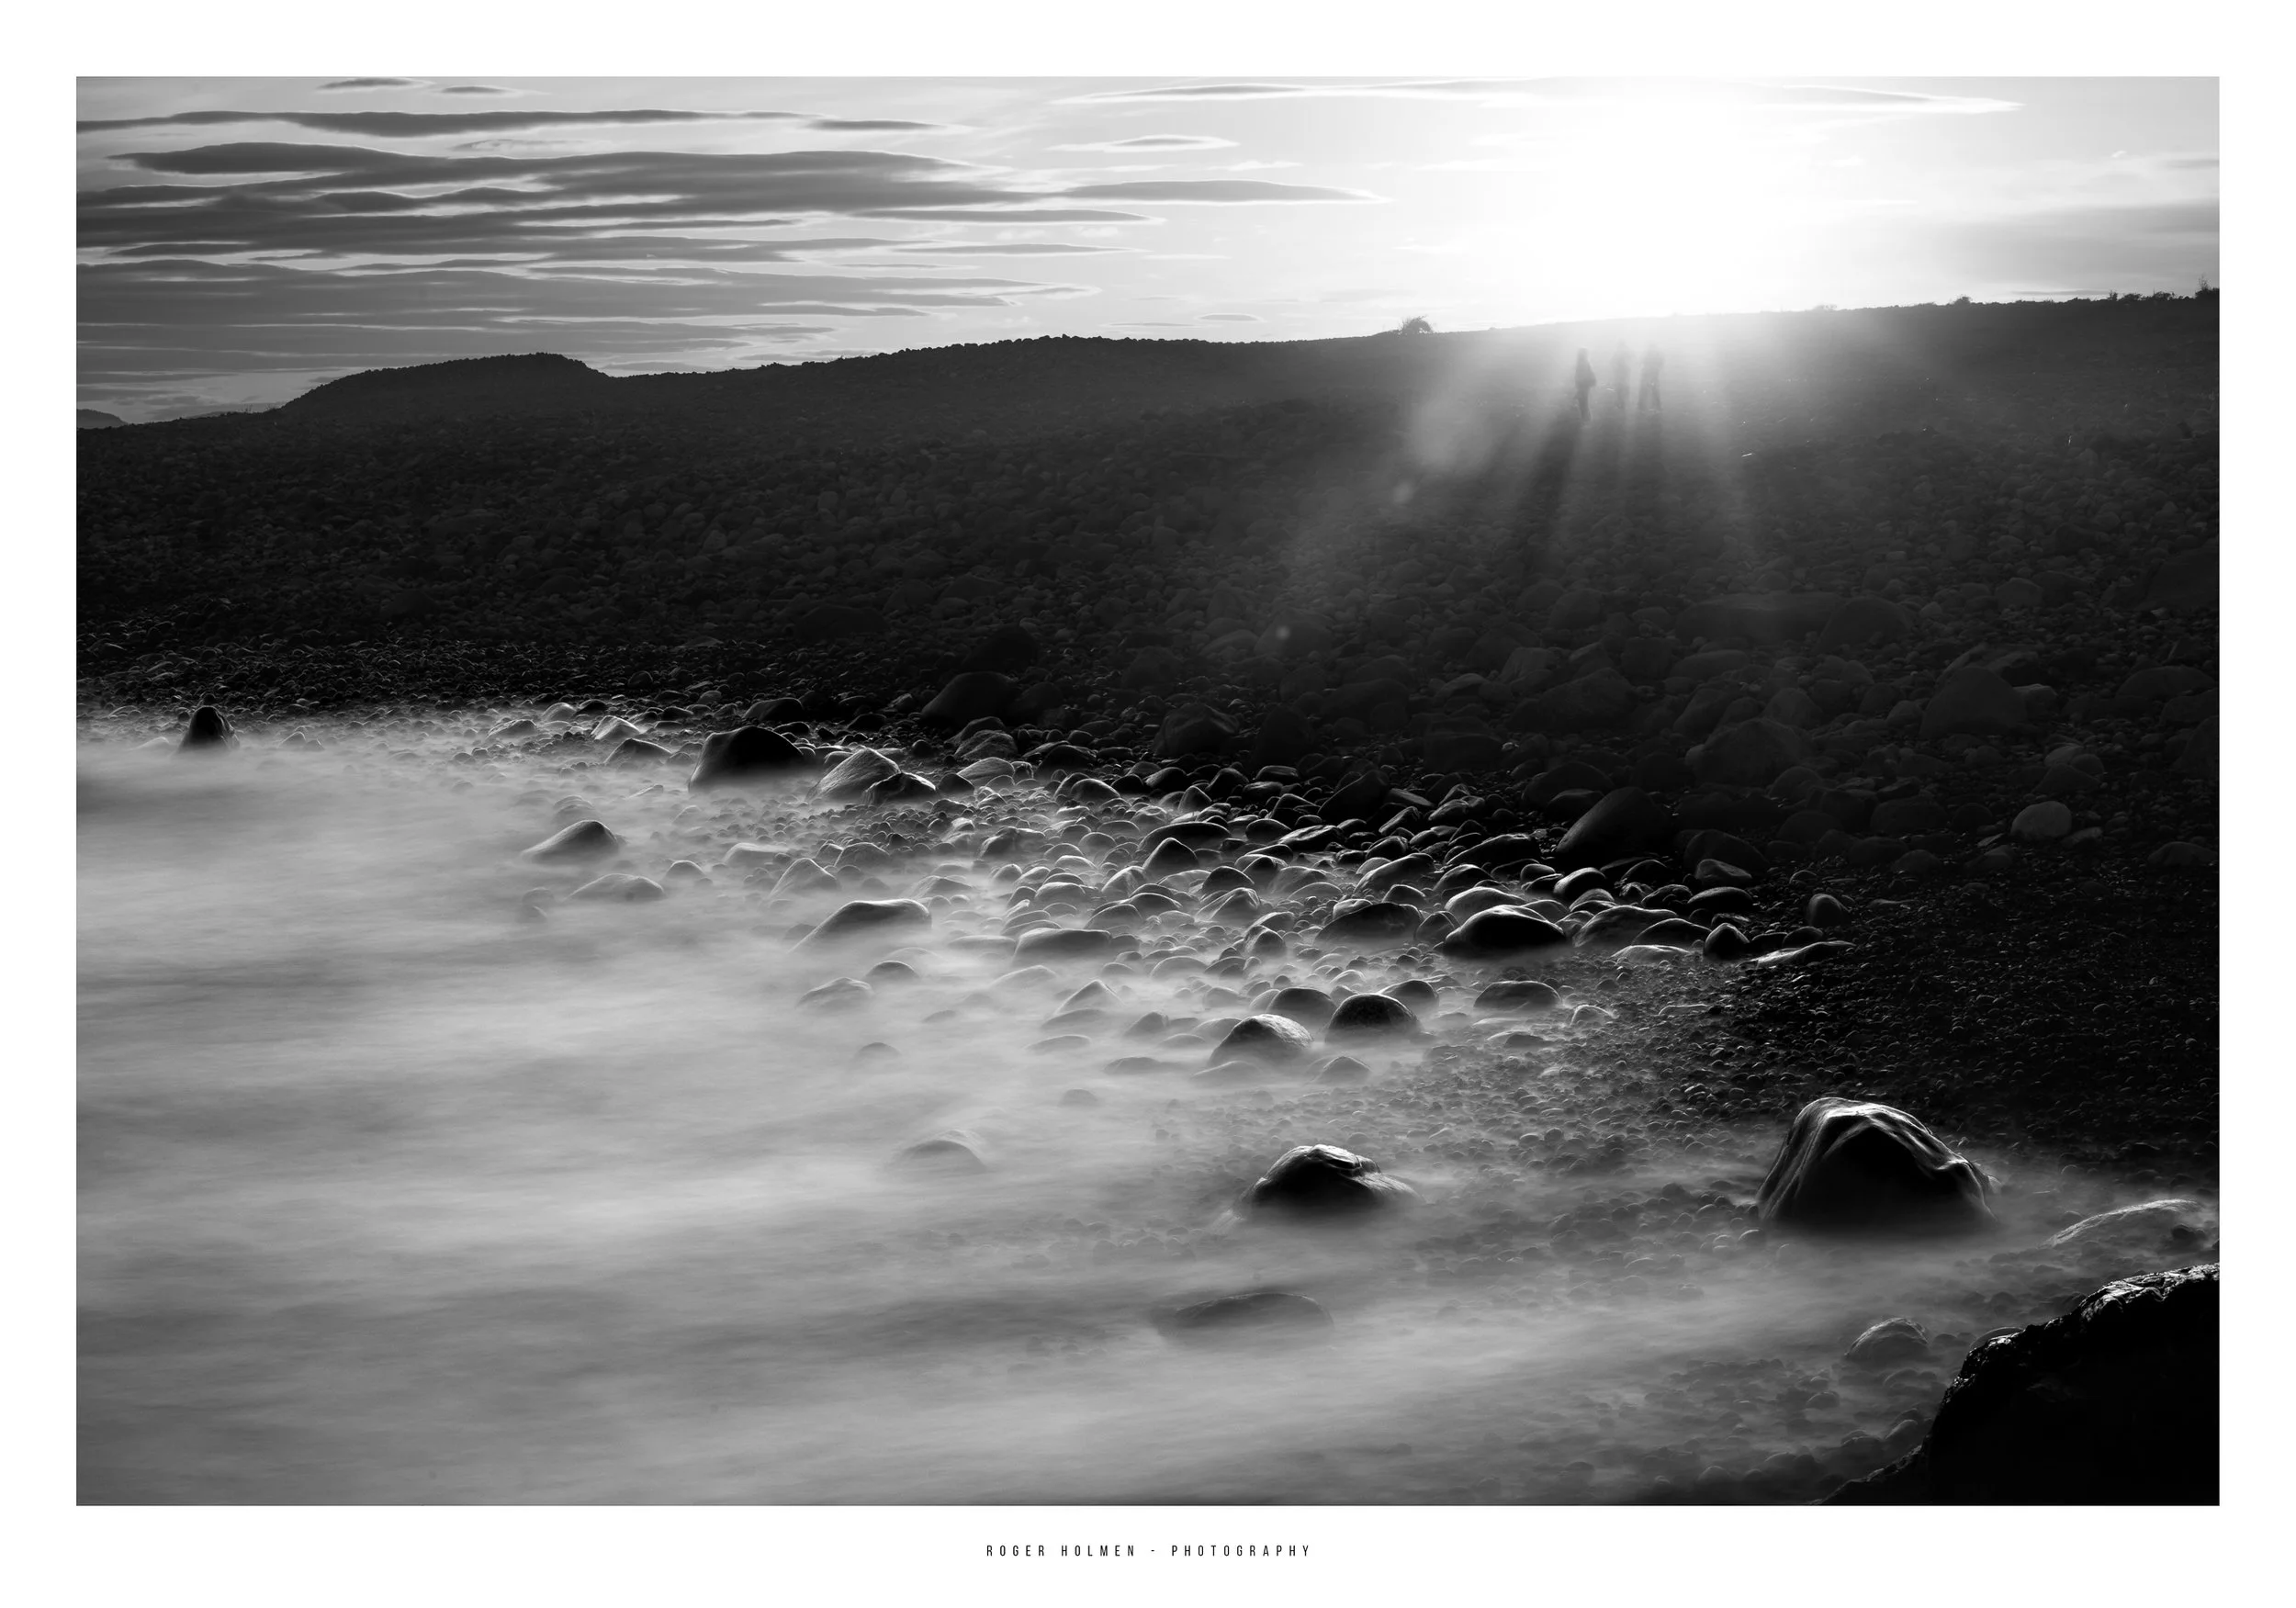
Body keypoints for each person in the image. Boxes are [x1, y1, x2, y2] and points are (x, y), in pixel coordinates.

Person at [1638, 343, 1665, 412]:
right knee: (1655, 390)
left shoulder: (1646, 352)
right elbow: (1661, 362)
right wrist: (1658, 368)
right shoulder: (1658, 353)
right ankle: (1657, 407)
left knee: (1644, 389)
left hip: (1646, 372)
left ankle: (1641, 407)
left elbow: (1641, 360)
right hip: (1654, 372)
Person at [1572, 348, 1596, 421]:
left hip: (1583, 385)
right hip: (1584, 385)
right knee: (1584, 402)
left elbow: (1579, 374)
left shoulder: (1581, 362)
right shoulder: (1586, 362)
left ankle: (1586, 419)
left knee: (1583, 402)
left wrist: (1578, 384)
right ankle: (1586, 419)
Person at [1610, 342, 1632, 411]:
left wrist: (1615, 367)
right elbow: (1632, 357)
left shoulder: (1617, 352)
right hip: (1624, 371)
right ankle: (1623, 402)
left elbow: (1612, 361)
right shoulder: (1626, 351)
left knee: (1619, 387)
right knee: (1624, 386)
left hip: (1619, 371)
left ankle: (1620, 402)